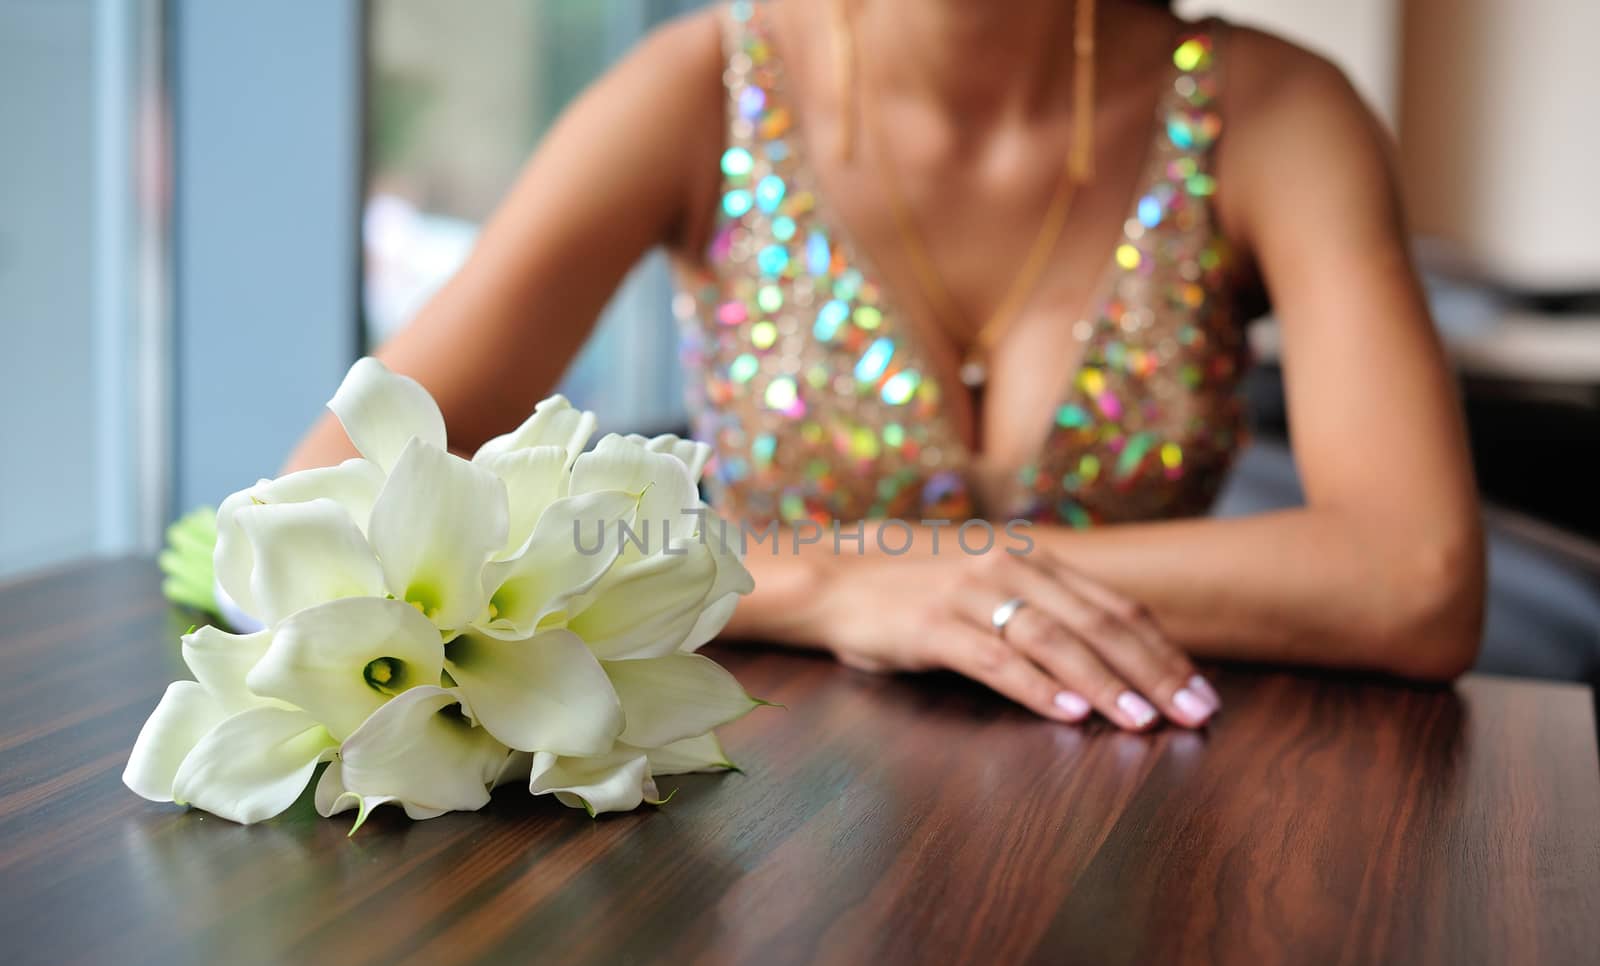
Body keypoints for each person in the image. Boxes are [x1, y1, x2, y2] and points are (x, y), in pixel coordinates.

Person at [285, 0, 1485, 732]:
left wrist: (935, 566)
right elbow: (324, 507)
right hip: (762, 811)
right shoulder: (694, 91)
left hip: (1155, 797)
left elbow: (1415, 579)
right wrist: (834, 586)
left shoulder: (1273, 111)